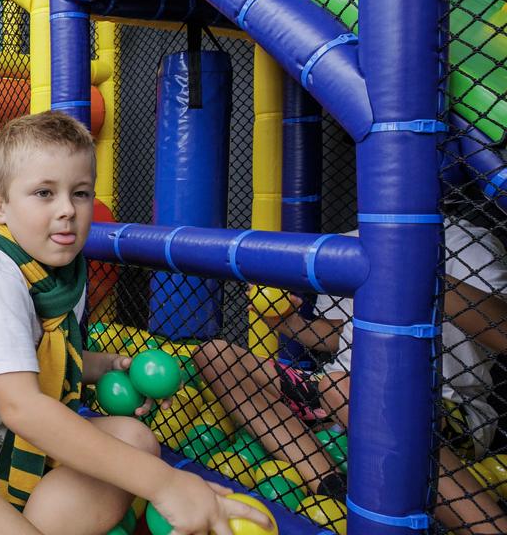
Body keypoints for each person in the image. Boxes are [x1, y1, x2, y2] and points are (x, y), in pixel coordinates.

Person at [0, 112, 269, 535]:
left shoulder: (67, 269)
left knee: (136, 438)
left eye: (81, 193)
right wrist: (166, 483)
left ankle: (16, 524)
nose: (67, 211)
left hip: (25, 449)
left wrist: (103, 366)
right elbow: (21, 406)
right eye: (43, 193)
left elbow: (44, 352)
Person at [193, 219, 507, 534]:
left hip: (438, 406)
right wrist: (289, 323)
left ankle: (485, 526)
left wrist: (418, 272)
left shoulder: (467, 242)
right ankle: (329, 483)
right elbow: (345, 333)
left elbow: (501, 332)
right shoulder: (353, 244)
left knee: (343, 387)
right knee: (215, 356)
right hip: (336, 392)